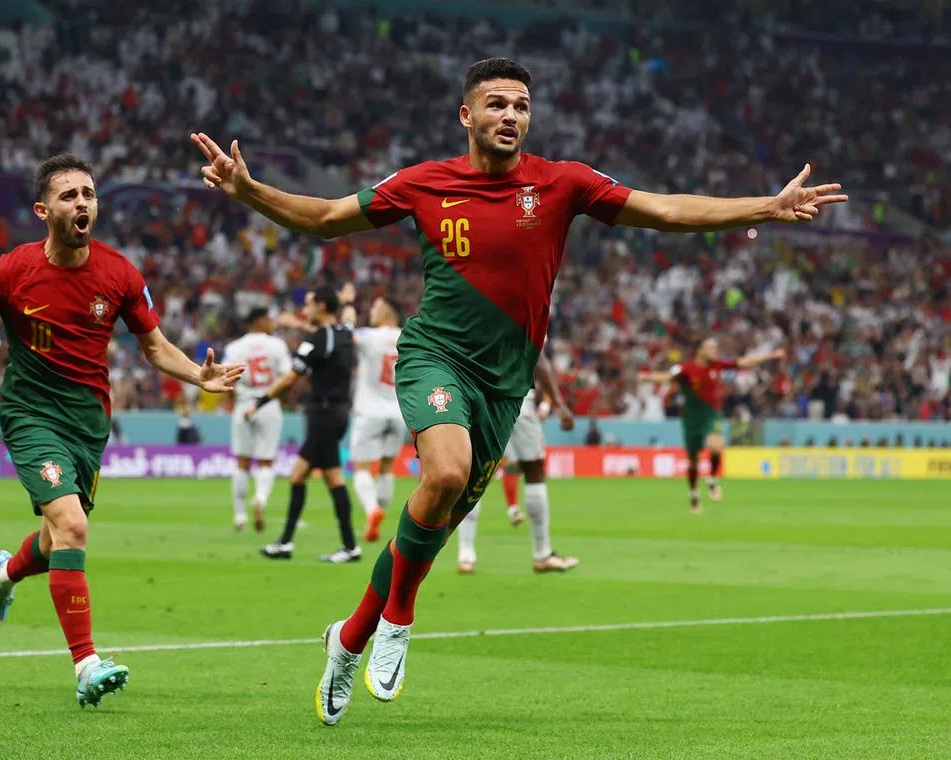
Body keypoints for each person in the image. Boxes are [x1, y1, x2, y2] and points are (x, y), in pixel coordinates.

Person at [191, 57, 845, 726]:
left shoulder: (563, 183)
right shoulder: (424, 183)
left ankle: (349, 639)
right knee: (445, 473)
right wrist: (249, 190)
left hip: (506, 385)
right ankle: (399, 619)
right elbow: (329, 216)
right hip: (435, 356)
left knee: (432, 526)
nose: (510, 115)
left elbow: (667, 209)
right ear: (466, 115)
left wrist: (767, 206)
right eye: (497, 103)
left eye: (521, 106)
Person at [0, 154, 243, 707]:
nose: (82, 203)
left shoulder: (120, 274)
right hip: (31, 416)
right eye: (69, 196)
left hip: (88, 425)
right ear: (44, 211)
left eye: (88, 194)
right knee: (72, 525)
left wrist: (198, 375)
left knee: (53, 541)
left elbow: (156, 347)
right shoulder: (8, 271)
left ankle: (5, 574)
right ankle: (86, 665)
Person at [255, 286, 359, 563]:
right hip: (338, 412)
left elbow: (290, 378)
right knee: (318, 476)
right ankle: (343, 546)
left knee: (309, 476)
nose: (306, 309)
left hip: (323, 414)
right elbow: (349, 317)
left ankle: (292, 544)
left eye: (310, 303)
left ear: (322, 306)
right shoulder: (345, 332)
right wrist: (347, 301)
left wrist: (260, 401)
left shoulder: (315, 340)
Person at [457, 352, 579, 573]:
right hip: (519, 399)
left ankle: (466, 555)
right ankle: (542, 554)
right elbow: (539, 359)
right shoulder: (530, 325)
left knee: (475, 474)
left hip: (482, 398)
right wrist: (559, 404)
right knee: (534, 472)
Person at [641, 339, 785, 512]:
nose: (714, 351)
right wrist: (647, 377)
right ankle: (694, 494)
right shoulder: (686, 369)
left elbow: (744, 362)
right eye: (710, 348)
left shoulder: (717, 365)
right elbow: (667, 377)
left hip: (711, 413)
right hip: (691, 418)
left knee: (716, 446)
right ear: (700, 350)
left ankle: (712, 479)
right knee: (693, 462)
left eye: (715, 348)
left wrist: (770, 356)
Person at [222, 308, 292, 532]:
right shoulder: (277, 345)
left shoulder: (234, 348)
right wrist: (282, 400)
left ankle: (240, 516)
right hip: (268, 404)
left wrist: (236, 400)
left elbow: (226, 378)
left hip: (244, 404)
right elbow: (287, 377)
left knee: (242, 462)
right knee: (266, 461)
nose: (272, 322)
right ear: (260, 321)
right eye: (269, 319)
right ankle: (260, 499)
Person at [347, 296, 405, 543]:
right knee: (387, 467)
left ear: (387, 312)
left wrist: (348, 309)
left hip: (369, 410)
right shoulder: (407, 337)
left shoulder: (368, 335)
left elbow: (345, 335)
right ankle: (380, 513)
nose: (371, 310)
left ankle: (372, 510)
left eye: (375, 306)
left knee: (361, 467)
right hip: (398, 411)